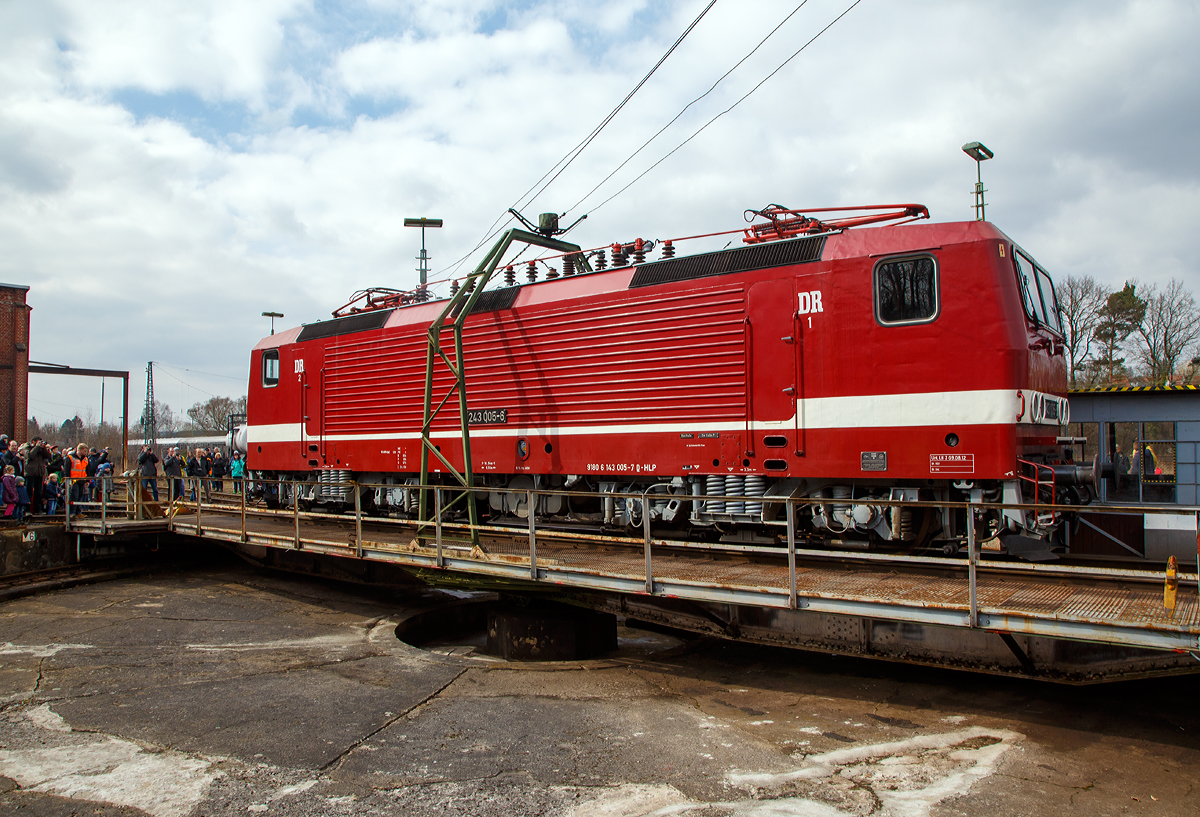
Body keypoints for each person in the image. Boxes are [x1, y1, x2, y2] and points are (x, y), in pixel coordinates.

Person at [25, 438, 49, 514]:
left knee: (38, 492)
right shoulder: (27, 448)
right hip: (30, 473)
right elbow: (30, 455)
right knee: (29, 492)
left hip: (39, 473)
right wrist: (36, 447)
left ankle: (37, 509)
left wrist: (44, 448)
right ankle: (27, 510)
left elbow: (47, 456)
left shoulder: (41, 450)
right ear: (33, 442)